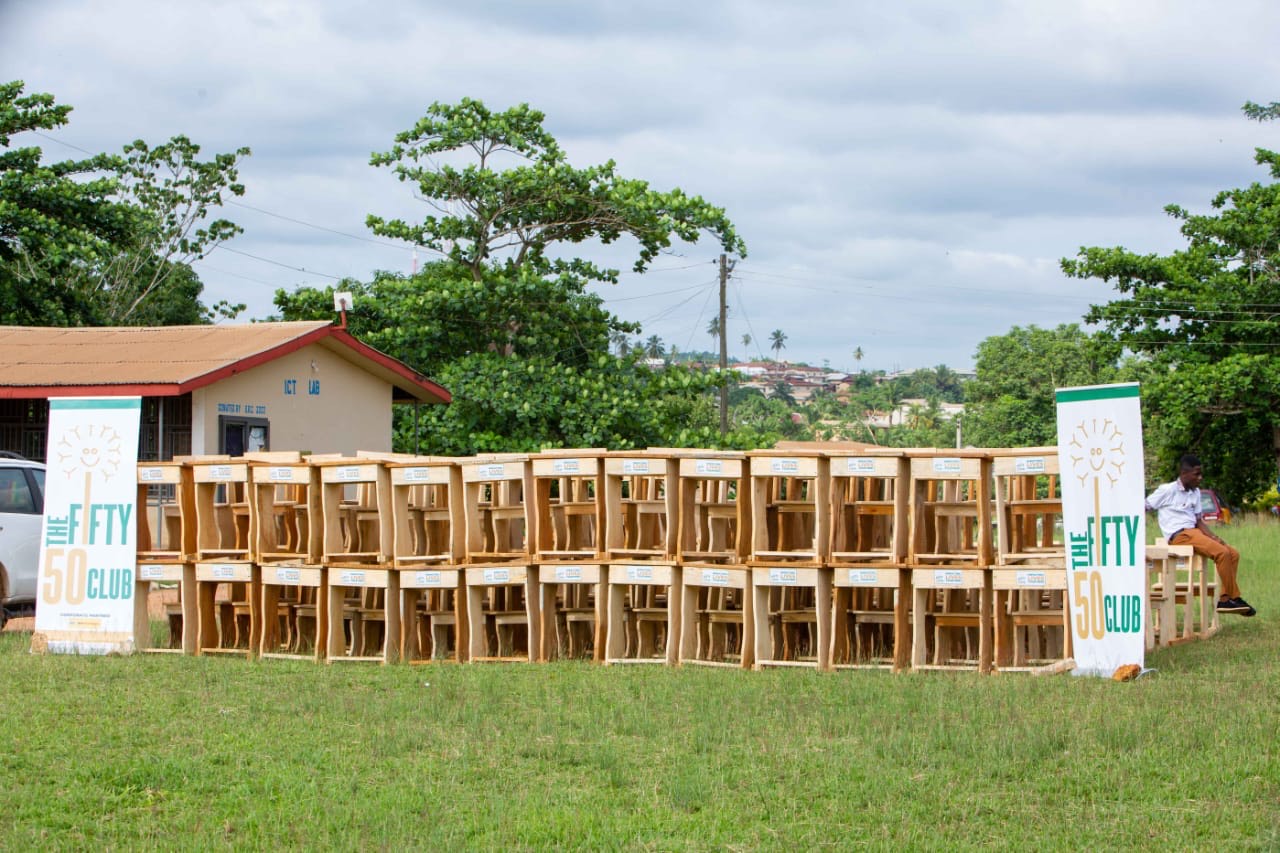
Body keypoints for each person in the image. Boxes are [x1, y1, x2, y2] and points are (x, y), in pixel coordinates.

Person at [1145, 454, 1255, 617]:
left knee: (1232, 554)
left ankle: (1225, 598)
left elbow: (1198, 521)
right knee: (1221, 554)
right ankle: (1232, 598)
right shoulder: (1167, 490)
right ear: (1184, 474)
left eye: (1200, 474)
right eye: (1196, 474)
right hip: (1179, 535)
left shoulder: (1195, 492)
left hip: (1194, 532)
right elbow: (1145, 505)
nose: (1200, 478)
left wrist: (1215, 537)